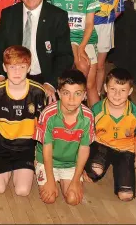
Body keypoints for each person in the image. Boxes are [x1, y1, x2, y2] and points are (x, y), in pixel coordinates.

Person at [0, 0, 73, 103]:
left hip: (45, 78)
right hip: (13, 78)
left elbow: (65, 56)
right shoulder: (8, 14)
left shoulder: (58, 16)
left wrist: (51, 83)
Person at [0, 46, 46, 196]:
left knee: (22, 191)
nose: (17, 72)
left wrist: (40, 155)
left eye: (22, 67)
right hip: (1, 146)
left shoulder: (38, 92)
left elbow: (41, 125)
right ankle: (6, 168)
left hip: (25, 148)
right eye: (12, 67)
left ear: (29, 68)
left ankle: (20, 168)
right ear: (4, 68)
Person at [34, 69, 94, 205]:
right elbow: (47, 149)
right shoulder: (48, 114)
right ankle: (42, 170)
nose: (72, 100)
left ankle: (68, 180)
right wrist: (50, 180)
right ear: (59, 93)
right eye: (66, 93)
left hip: (70, 164)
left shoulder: (88, 117)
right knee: (49, 198)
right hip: (47, 160)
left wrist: (75, 180)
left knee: (73, 199)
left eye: (77, 94)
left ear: (85, 95)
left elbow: (84, 150)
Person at [47, 0, 101, 106]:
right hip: (63, 38)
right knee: (78, 69)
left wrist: (82, 47)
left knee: (90, 85)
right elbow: (50, 20)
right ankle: (66, 109)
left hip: (85, 38)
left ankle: (97, 121)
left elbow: (89, 24)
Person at [83, 68, 136, 202]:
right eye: (113, 89)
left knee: (126, 195)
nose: (117, 94)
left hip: (125, 150)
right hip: (102, 145)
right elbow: (86, 137)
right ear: (105, 88)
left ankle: (120, 168)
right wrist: (81, 167)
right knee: (94, 173)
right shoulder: (96, 110)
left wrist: (135, 161)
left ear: (130, 91)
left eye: (122, 90)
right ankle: (97, 164)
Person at [81, 0, 125, 97]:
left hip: (104, 29)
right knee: (83, 63)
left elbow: (118, 10)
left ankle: (96, 94)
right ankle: (82, 92)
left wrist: (105, 17)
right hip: (85, 27)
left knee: (99, 65)